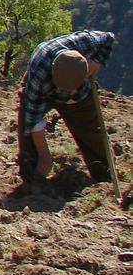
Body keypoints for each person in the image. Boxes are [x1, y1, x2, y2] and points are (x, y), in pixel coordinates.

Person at [17, 29, 116, 191]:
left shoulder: (88, 43)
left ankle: (104, 174)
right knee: (26, 127)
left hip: (81, 93)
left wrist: (97, 61)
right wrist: (44, 155)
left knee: (91, 131)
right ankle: (32, 173)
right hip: (46, 90)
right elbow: (33, 118)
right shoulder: (39, 76)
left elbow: (109, 38)